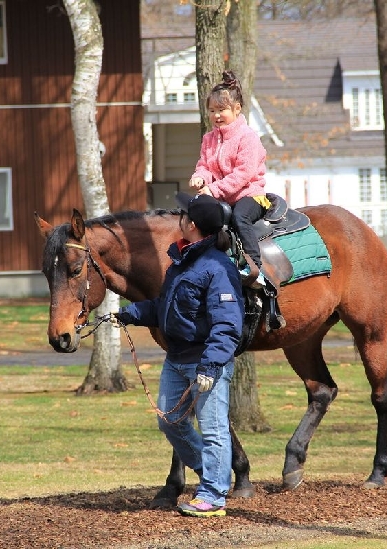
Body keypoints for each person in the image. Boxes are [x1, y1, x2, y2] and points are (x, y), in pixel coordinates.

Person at [112, 192, 244, 518]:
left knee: (213, 431)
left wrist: (212, 366)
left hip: (205, 363)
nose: (179, 219)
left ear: (193, 225)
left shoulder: (219, 268)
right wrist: (132, 313)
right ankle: (214, 476)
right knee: (169, 422)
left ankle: (213, 496)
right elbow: (164, 307)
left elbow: (228, 324)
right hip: (176, 359)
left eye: (184, 216)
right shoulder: (181, 260)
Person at [189, 70, 269, 289]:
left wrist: (213, 190)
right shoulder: (209, 139)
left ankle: (255, 268)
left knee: (240, 217)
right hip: (221, 195)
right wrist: (200, 178)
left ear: (237, 109)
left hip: (249, 194)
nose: (216, 115)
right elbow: (205, 166)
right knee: (194, 215)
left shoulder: (248, 137)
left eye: (221, 110)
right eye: (212, 110)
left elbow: (243, 174)